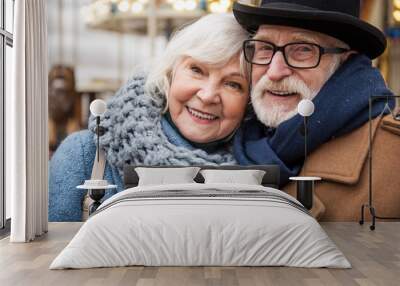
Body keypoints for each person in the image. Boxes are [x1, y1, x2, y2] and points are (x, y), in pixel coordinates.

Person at [49, 13, 250, 222]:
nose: (208, 95)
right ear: (170, 74)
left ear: (249, 101)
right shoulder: (84, 156)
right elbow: (49, 251)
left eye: (233, 84)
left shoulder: (265, 173)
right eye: (197, 70)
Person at [232, 0, 400, 220]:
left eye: (303, 49)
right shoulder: (230, 136)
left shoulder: (393, 159)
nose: (274, 72)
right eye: (264, 48)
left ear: (344, 61)